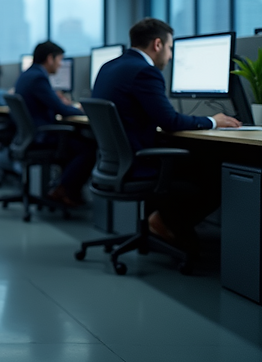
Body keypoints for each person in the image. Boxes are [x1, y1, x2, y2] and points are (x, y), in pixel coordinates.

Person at [92, 18, 239, 249]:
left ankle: (165, 223)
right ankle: (164, 222)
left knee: (198, 161)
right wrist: (214, 121)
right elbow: (170, 121)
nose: (170, 56)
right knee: (216, 174)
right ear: (158, 44)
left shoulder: (108, 67)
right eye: (170, 48)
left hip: (115, 163)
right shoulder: (144, 71)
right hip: (138, 163)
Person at [14, 41, 92, 205]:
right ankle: (63, 189)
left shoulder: (27, 74)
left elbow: (52, 104)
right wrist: (86, 113)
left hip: (31, 134)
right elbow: (60, 110)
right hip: (42, 135)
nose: (60, 64)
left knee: (77, 141)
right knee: (89, 148)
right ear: (50, 58)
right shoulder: (38, 77)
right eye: (59, 60)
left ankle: (66, 191)